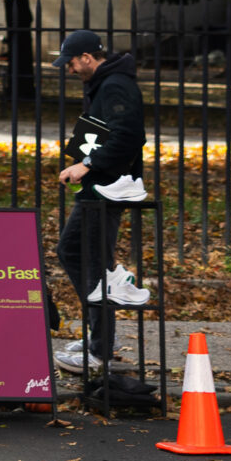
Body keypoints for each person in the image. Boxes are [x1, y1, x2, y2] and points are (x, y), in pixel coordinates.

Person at [51, 29, 152, 397]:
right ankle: (100, 337)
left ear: (88, 58)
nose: (69, 69)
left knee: (86, 256)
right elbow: (103, 129)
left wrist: (87, 164)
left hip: (108, 187)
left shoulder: (115, 86)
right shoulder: (104, 84)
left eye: (71, 62)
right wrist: (77, 155)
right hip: (100, 186)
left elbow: (129, 136)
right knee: (79, 253)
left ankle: (99, 350)